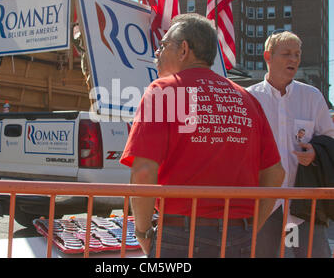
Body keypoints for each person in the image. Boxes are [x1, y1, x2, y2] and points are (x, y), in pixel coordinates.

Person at [119, 13, 285, 258]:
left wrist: (143, 234)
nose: (157, 53)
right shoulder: (247, 99)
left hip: (182, 237)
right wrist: (252, 227)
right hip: (240, 236)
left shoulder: (163, 91)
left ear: (184, 49)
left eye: (163, 45)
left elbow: (143, 171)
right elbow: (276, 172)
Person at [247, 30, 334, 258]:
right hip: (264, 204)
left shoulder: (313, 96)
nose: (293, 59)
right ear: (268, 56)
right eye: (286, 53)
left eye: (297, 54)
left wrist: (315, 152)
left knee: (312, 255)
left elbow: (330, 139)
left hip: (304, 204)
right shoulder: (249, 98)